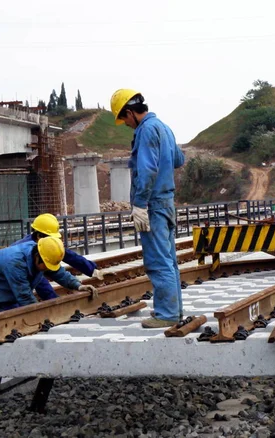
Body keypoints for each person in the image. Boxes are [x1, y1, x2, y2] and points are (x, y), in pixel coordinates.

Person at [0, 236, 97, 388]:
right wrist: (44, 319)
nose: (47, 269)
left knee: (1, 331)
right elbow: (24, 297)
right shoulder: (15, 262)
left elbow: (58, 272)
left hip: (3, 292)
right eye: (45, 266)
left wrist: (78, 286)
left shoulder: (42, 254)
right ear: (37, 257)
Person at [110, 89, 185, 328]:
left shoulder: (145, 130)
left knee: (157, 261)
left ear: (130, 112)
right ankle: (174, 311)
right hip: (166, 202)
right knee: (169, 260)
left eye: (125, 120)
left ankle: (166, 315)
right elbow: (178, 160)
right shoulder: (164, 127)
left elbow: (146, 170)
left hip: (153, 205)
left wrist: (140, 204)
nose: (126, 125)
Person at [12, 213, 104, 302]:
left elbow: (68, 255)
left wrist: (92, 270)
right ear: (39, 236)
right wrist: (54, 302)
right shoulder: (27, 250)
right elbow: (41, 283)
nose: (54, 241)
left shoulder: (45, 242)